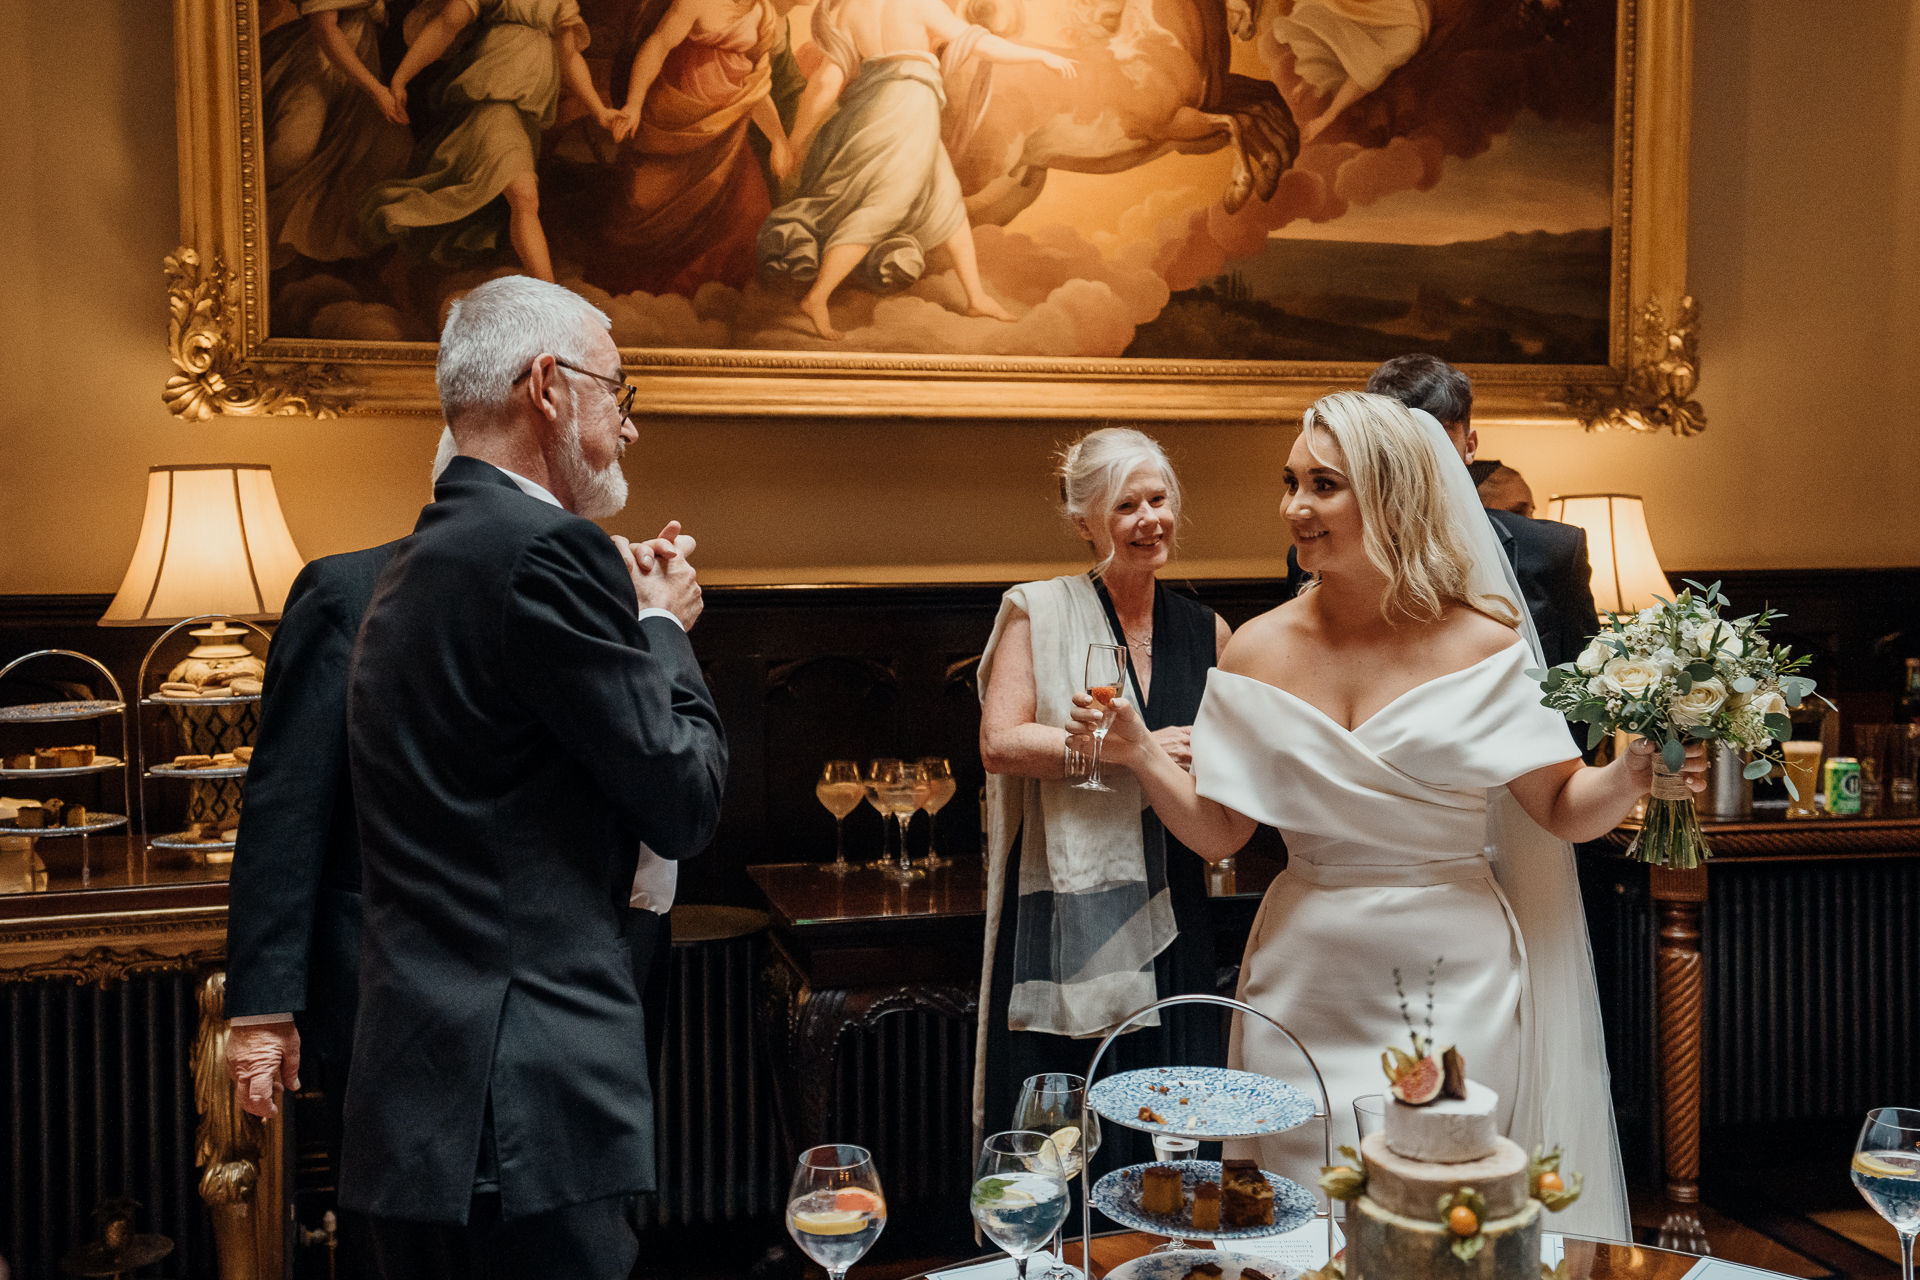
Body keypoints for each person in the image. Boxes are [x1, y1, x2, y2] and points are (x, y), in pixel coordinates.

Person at [1070, 391, 1709, 1241]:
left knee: (1443, 1223)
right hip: (1303, 978)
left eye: (1324, 485)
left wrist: (1634, 770)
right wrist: (1141, 752)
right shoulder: (1257, 646)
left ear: (1393, 495)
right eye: (1291, 482)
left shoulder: (1484, 640)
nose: (1296, 507)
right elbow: (1222, 834)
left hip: (1457, 980)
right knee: (1290, 1221)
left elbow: (1559, 806)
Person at [341, 275, 727, 1277]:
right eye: (620, 390)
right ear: (548, 385)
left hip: (420, 1098)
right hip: (522, 1109)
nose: (629, 428)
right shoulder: (546, 552)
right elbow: (683, 795)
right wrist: (661, 629)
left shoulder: (415, 560)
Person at [974, 427, 1233, 1172]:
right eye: (1127, 506)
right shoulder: (1040, 610)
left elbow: (1224, 763)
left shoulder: (1209, 631)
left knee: (1171, 1122)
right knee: (1067, 1129)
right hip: (1067, 909)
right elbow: (1000, 743)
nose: (1150, 519)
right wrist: (1119, 751)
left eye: (1159, 500)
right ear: (1084, 520)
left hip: (1176, 902)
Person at [222, 537, 404, 1275]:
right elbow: (286, 803)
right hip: (375, 984)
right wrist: (262, 1006)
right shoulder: (347, 592)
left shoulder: (594, 581)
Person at [754, 0, 1075, 340]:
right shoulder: (920, 4)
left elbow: (827, 80)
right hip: (905, 113)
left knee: (946, 201)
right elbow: (978, 41)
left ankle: (976, 298)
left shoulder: (850, 10)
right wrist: (1039, 57)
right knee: (884, 206)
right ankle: (817, 297)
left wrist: (797, 139)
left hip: (875, 115)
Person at [1289, 354, 1601, 671]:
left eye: (1438, 438)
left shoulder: (1555, 550)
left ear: (1470, 445)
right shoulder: (1319, 548)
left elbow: (1584, 686)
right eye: (1402, 446)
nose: (1420, 460)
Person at [550, 0, 792, 299]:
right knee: (646, 210)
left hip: (726, 132)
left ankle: (713, 296)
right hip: (677, 121)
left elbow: (756, 88)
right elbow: (659, 44)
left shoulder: (762, 13)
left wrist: (778, 139)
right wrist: (635, 103)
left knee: (748, 209)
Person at [361, 0, 600, 280]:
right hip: (493, 97)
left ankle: (402, 270)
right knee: (524, 196)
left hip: (526, 112)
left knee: (507, 200)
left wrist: (600, 110)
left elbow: (569, 57)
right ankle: (549, 295)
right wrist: (401, 78)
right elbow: (446, 24)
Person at [260, 0, 413, 267]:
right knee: (290, 152)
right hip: (319, 61)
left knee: (389, 151)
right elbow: (326, 32)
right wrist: (377, 91)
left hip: (360, 62)